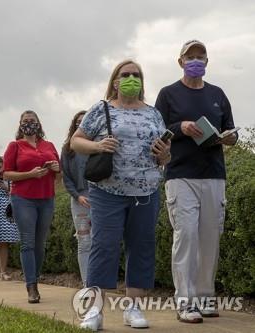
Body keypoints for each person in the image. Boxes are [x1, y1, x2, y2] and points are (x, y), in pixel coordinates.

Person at [71, 60, 171, 330]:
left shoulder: (153, 113)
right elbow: (75, 141)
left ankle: (133, 308)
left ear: (142, 81)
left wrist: (164, 154)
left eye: (136, 75)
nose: (131, 79)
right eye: (125, 75)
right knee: (104, 246)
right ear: (115, 81)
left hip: (146, 190)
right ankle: (94, 311)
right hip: (108, 191)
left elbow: (165, 154)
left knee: (141, 247)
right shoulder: (101, 108)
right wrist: (97, 144)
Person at [155, 40, 237, 323]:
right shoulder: (168, 94)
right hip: (180, 175)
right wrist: (181, 128)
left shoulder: (218, 94)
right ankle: (185, 302)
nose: (196, 61)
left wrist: (229, 137)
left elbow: (231, 130)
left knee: (209, 239)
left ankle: (205, 296)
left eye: (201, 57)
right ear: (180, 61)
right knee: (186, 235)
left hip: (214, 174)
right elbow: (158, 130)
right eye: (191, 56)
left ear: (207, 61)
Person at [3, 110, 60, 303]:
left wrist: (55, 168)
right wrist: (29, 174)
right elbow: (6, 174)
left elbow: (59, 172)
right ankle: (31, 286)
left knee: (39, 244)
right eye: (25, 121)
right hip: (23, 198)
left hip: (46, 198)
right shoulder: (15, 146)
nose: (29, 123)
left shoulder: (49, 145)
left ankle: (34, 278)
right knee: (27, 242)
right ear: (20, 125)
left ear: (39, 123)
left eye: (32, 120)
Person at [61, 110, 92, 287]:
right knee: (84, 242)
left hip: (99, 198)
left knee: (99, 241)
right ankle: (87, 284)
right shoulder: (67, 149)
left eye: (84, 121)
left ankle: (99, 282)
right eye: (78, 122)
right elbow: (66, 178)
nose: (81, 124)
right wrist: (77, 195)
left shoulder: (97, 145)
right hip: (79, 200)